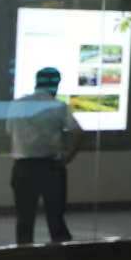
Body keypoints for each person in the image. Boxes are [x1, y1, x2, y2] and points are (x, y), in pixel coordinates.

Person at [6, 66, 83, 244]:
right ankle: (62, 256)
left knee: (24, 219)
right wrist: (68, 157)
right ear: (56, 84)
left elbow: (9, 131)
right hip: (51, 167)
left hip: (23, 168)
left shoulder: (17, 104)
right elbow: (78, 132)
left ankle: (24, 255)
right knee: (56, 218)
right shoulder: (58, 106)